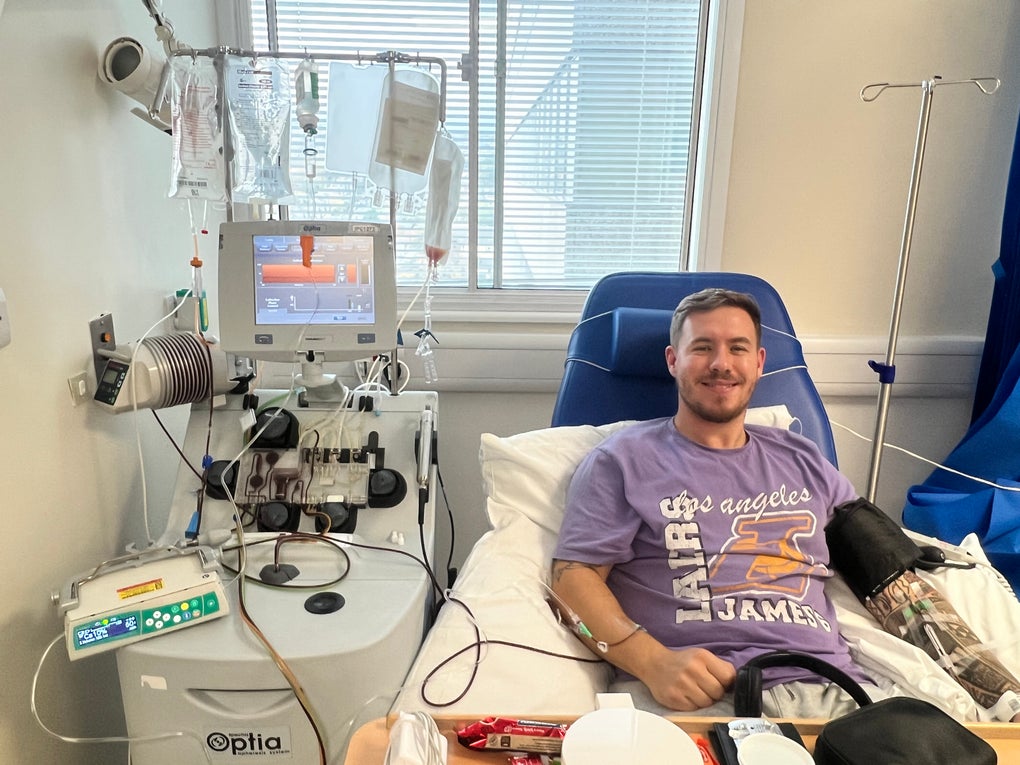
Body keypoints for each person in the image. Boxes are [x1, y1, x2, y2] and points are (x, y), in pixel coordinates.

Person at [551, 287, 883, 719]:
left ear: (759, 363)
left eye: (737, 348)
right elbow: (571, 580)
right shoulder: (623, 461)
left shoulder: (804, 460)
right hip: (700, 696)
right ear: (673, 360)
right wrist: (652, 662)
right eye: (702, 348)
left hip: (830, 691)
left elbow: (886, 564)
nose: (721, 363)